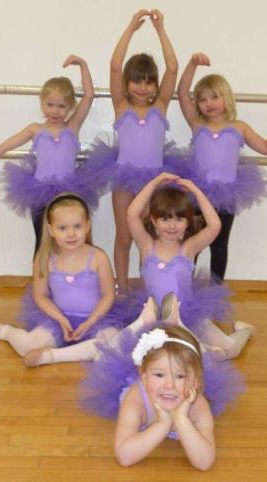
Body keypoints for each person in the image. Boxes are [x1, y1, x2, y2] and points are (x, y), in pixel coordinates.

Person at [177, 53, 267, 279]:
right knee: (191, 243)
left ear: (226, 98)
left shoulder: (239, 127)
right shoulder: (197, 124)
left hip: (226, 194)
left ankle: (215, 293)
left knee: (219, 245)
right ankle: (185, 293)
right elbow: (181, 93)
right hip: (197, 194)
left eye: (214, 97)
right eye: (202, 99)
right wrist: (192, 64)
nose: (208, 104)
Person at [79, 293, 245, 469]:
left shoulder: (198, 405)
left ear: (195, 382)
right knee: (103, 358)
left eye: (180, 376)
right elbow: (124, 456)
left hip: (181, 388)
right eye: (159, 375)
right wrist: (163, 423)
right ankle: (143, 322)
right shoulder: (136, 399)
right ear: (143, 378)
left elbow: (204, 463)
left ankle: (238, 331)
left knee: (220, 353)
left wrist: (181, 419)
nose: (169, 385)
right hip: (134, 379)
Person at [0, 55, 96, 253]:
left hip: (69, 193)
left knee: (71, 242)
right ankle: (41, 281)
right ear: (42, 103)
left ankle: (68, 280)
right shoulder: (35, 130)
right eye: (50, 104)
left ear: (70, 107)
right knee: (42, 242)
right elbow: (3, 148)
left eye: (61, 106)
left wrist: (83, 65)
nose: (55, 111)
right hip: (39, 193)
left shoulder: (72, 127)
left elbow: (89, 96)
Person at [89, 9, 178, 296]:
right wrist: (131, 28)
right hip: (125, 180)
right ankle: (122, 287)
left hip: (154, 181)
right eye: (137, 80)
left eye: (148, 81)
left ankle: (148, 287)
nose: (143, 87)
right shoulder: (121, 106)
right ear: (128, 82)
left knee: (150, 237)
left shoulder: (160, 106)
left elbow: (173, 68)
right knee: (125, 236)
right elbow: (115, 65)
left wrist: (161, 30)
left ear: (155, 85)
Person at [0, 193, 121, 365]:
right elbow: (41, 295)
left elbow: (108, 294)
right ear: (51, 230)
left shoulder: (98, 257)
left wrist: (90, 321)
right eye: (62, 228)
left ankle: (50, 356)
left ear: (87, 226)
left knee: (113, 346)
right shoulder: (44, 259)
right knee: (28, 345)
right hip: (58, 319)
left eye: (77, 226)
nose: (71, 233)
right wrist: (61, 319)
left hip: (96, 319)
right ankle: (5, 332)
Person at [126, 172, 254, 360]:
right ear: (153, 220)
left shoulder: (188, 249)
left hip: (187, 315)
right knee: (156, 354)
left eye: (179, 219)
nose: (172, 225)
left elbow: (215, 225)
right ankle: (200, 349)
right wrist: (155, 182)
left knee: (230, 350)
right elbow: (131, 214)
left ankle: (245, 331)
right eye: (165, 218)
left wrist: (195, 190)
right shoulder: (147, 246)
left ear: (187, 223)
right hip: (152, 316)